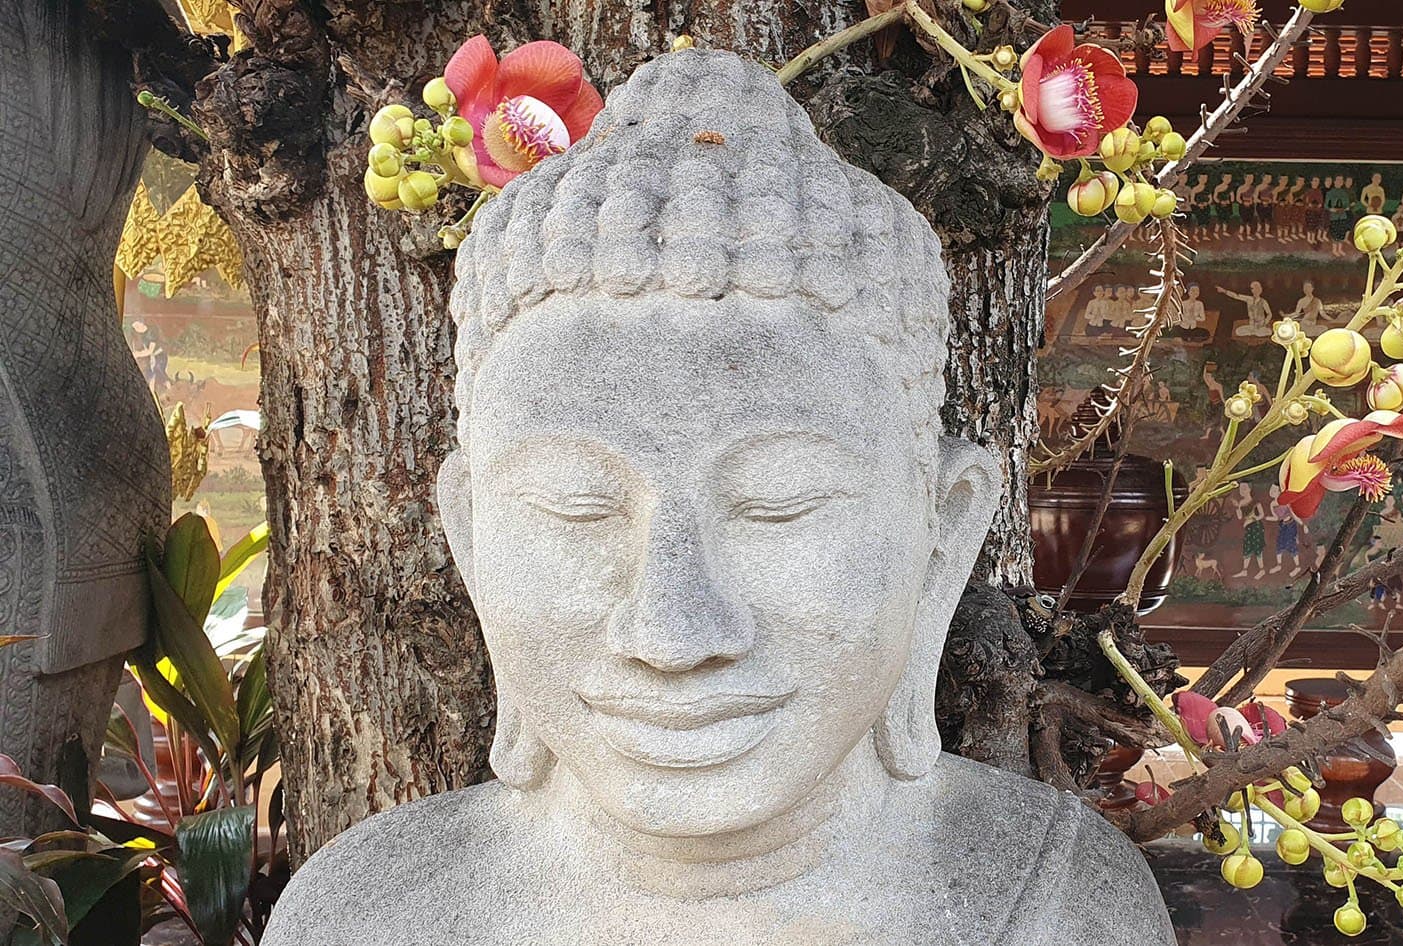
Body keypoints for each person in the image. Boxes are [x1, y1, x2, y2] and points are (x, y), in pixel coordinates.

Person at [261, 50, 1174, 946]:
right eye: (578, 505)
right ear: (471, 537)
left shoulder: (1067, 913)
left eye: (780, 503)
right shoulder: (362, 918)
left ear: (940, 537)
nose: (674, 631)